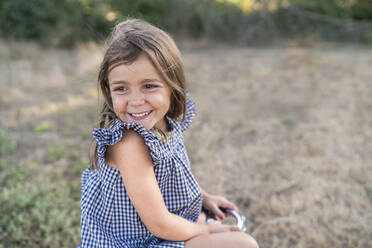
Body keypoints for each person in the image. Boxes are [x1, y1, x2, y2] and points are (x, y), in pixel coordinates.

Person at [79, 18, 259, 248]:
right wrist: (205, 230)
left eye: (149, 85)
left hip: (163, 229)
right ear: (109, 90)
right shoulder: (128, 142)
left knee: (217, 227)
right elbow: (159, 224)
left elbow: (172, 177)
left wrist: (203, 197)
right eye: (121, 88)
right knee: (243, 244)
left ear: (172, 87)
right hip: (137, 242)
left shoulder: (164, 123)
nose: (135, 101)